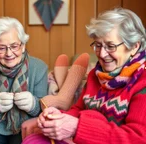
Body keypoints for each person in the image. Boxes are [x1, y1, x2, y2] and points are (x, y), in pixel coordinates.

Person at [23, 7, 146, 144]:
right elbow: (79, 109)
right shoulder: (96, 74)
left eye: (110, 46)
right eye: (98, 45)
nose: (102, 54)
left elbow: (138, 139)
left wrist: (76, 127)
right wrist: (58, 117)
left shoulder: (142, 80)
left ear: (134, 46)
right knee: (33, 140)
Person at [0, 17, 48, 144]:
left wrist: (34, 105)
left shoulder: (39, 68)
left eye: (14, 46)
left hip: (27, 124)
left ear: (23, 46)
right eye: (2, 48)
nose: (9, 53)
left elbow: (45, 109)